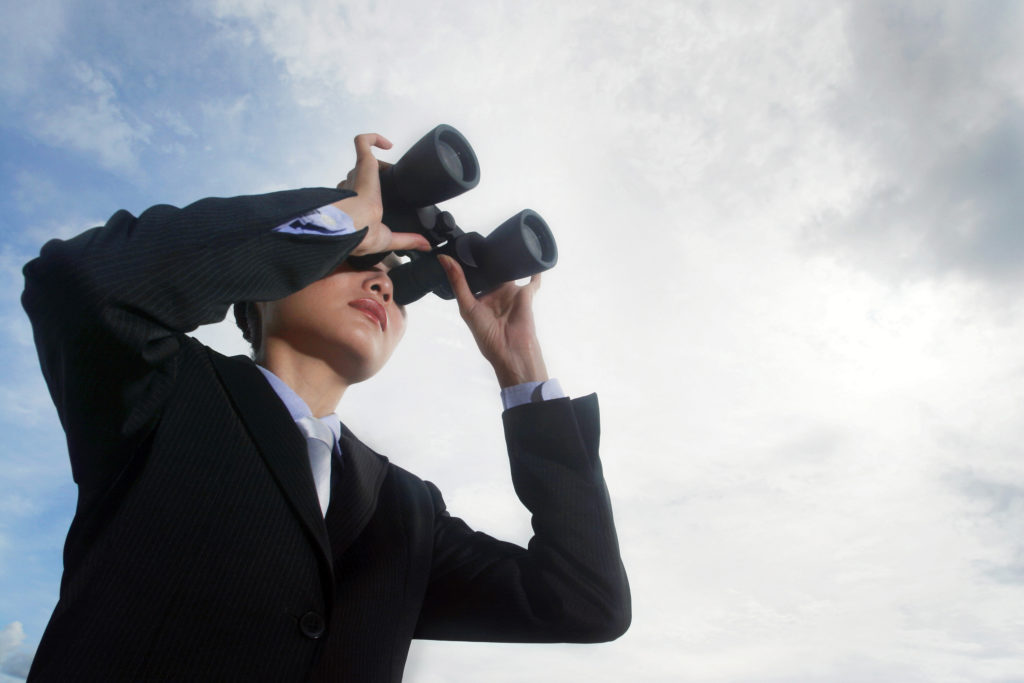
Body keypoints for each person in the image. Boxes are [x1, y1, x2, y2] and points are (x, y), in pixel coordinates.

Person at [21, 133, 630, 682]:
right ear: (256, 298)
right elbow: (82, 282)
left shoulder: (406, 510)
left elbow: (582, 601)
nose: (382, 283)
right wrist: (339, 217)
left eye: (394, 282)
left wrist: (519, 369)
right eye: (356, 261)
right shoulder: (165, 391)